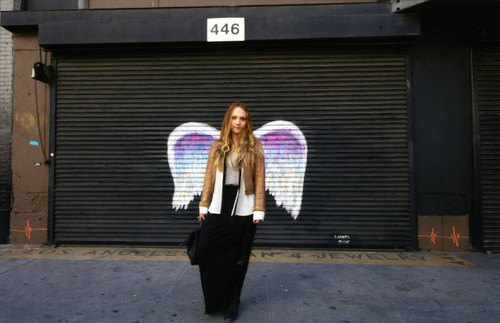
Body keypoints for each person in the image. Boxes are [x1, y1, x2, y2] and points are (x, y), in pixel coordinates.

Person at [197, 101, 265, 322]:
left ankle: (233, 300)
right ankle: (217, 298)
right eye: (234, 118)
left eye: (242, 118)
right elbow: (209, 177)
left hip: (244, 206)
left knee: (239, 257)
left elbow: (260, 179)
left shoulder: (255, 146)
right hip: (219, 204)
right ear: (228, 119)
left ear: (247, 122)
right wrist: (203, 205)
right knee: (208, 249)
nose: (238, 122)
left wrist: (258, 209)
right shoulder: (217, 146)